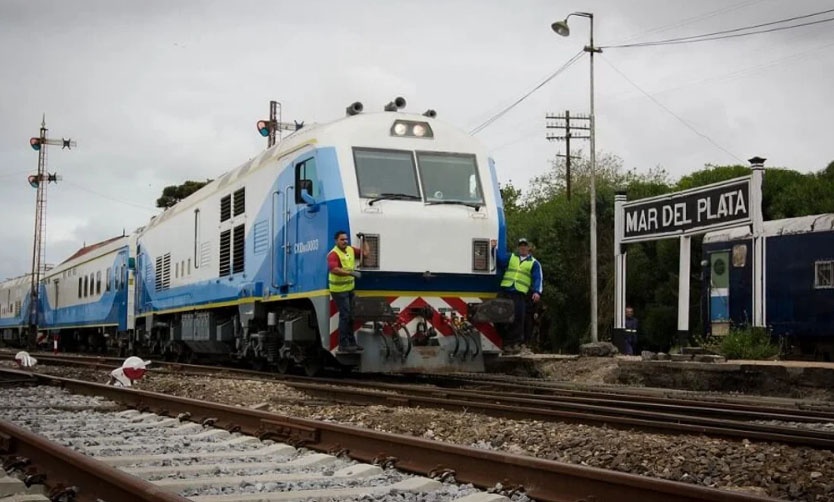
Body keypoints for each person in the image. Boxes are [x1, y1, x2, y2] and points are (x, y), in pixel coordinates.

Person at [492, 237, 543, 354]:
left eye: (525, 245)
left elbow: (538, 278)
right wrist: (493, 249)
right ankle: (506, 340)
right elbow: (500, 261)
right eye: (521, 245)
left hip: (519, 294)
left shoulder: (534, 263)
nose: (523, 248)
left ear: (529, 248)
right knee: (497, 315)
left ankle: (513, 344)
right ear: (518, 247)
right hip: (505, 290)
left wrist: (537, 292)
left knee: (517, 320)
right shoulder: (511, 257)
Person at [328, 230, 370, 353]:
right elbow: (334, 269)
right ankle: (343, 344)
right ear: (336, 241)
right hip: (338, 290)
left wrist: (364, 239)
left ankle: (352, 343)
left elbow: (366, 254)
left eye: (346, 239)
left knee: (351, 315)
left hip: (349, 289)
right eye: (342, 239)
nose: (345, 241)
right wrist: (350, 272)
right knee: (345, 315)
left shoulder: (350, 250)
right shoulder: (333, 254)